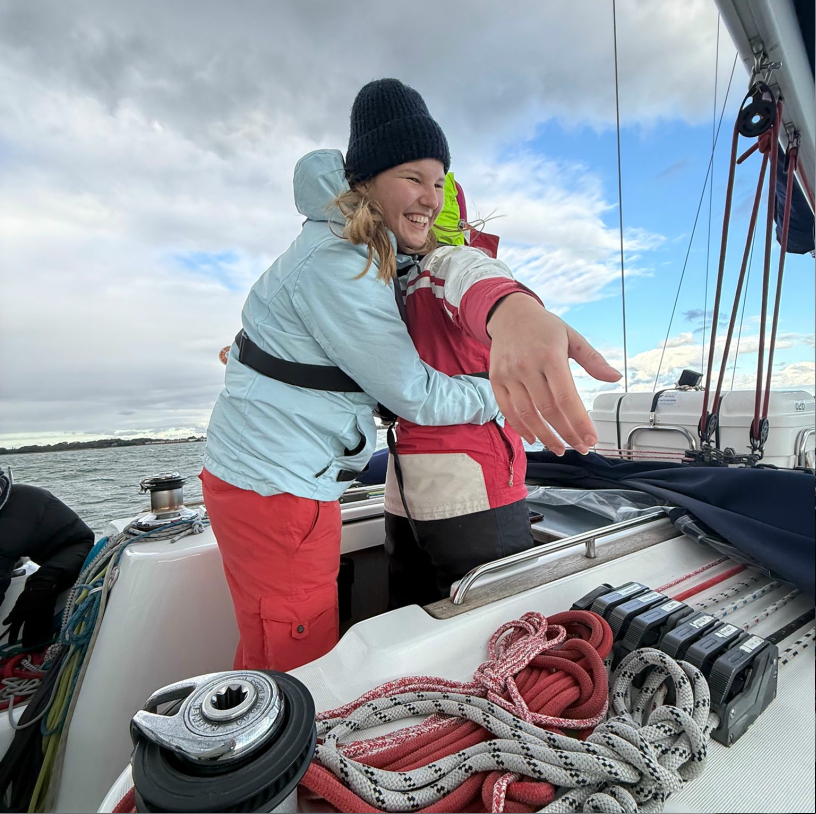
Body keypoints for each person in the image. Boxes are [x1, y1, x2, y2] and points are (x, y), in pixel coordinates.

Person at [202, 78, 620, 672]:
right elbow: (427, 370)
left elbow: (454, 283)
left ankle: (263, 747)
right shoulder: (349, 264)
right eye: (412, 178)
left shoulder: (370, 253)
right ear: (366, 183)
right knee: (296, 649)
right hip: (284, 487)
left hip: (293, 478)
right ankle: (283, 759)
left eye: (439, 182)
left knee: (283, 635)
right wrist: (503, 377)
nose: (431, 197)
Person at [383, 174, 542, 607]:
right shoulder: (453, 262)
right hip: (474, 487)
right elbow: (478, 280)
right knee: (503, 627)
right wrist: (516, 312)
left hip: (402, 489)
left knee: (412, 620)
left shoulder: (385, 287)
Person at [0, 469, 94, 648]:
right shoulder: (8, 498)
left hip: (75, 548)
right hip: (41, 550)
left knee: (38, 593)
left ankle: (39, 652)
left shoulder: (11, 515)